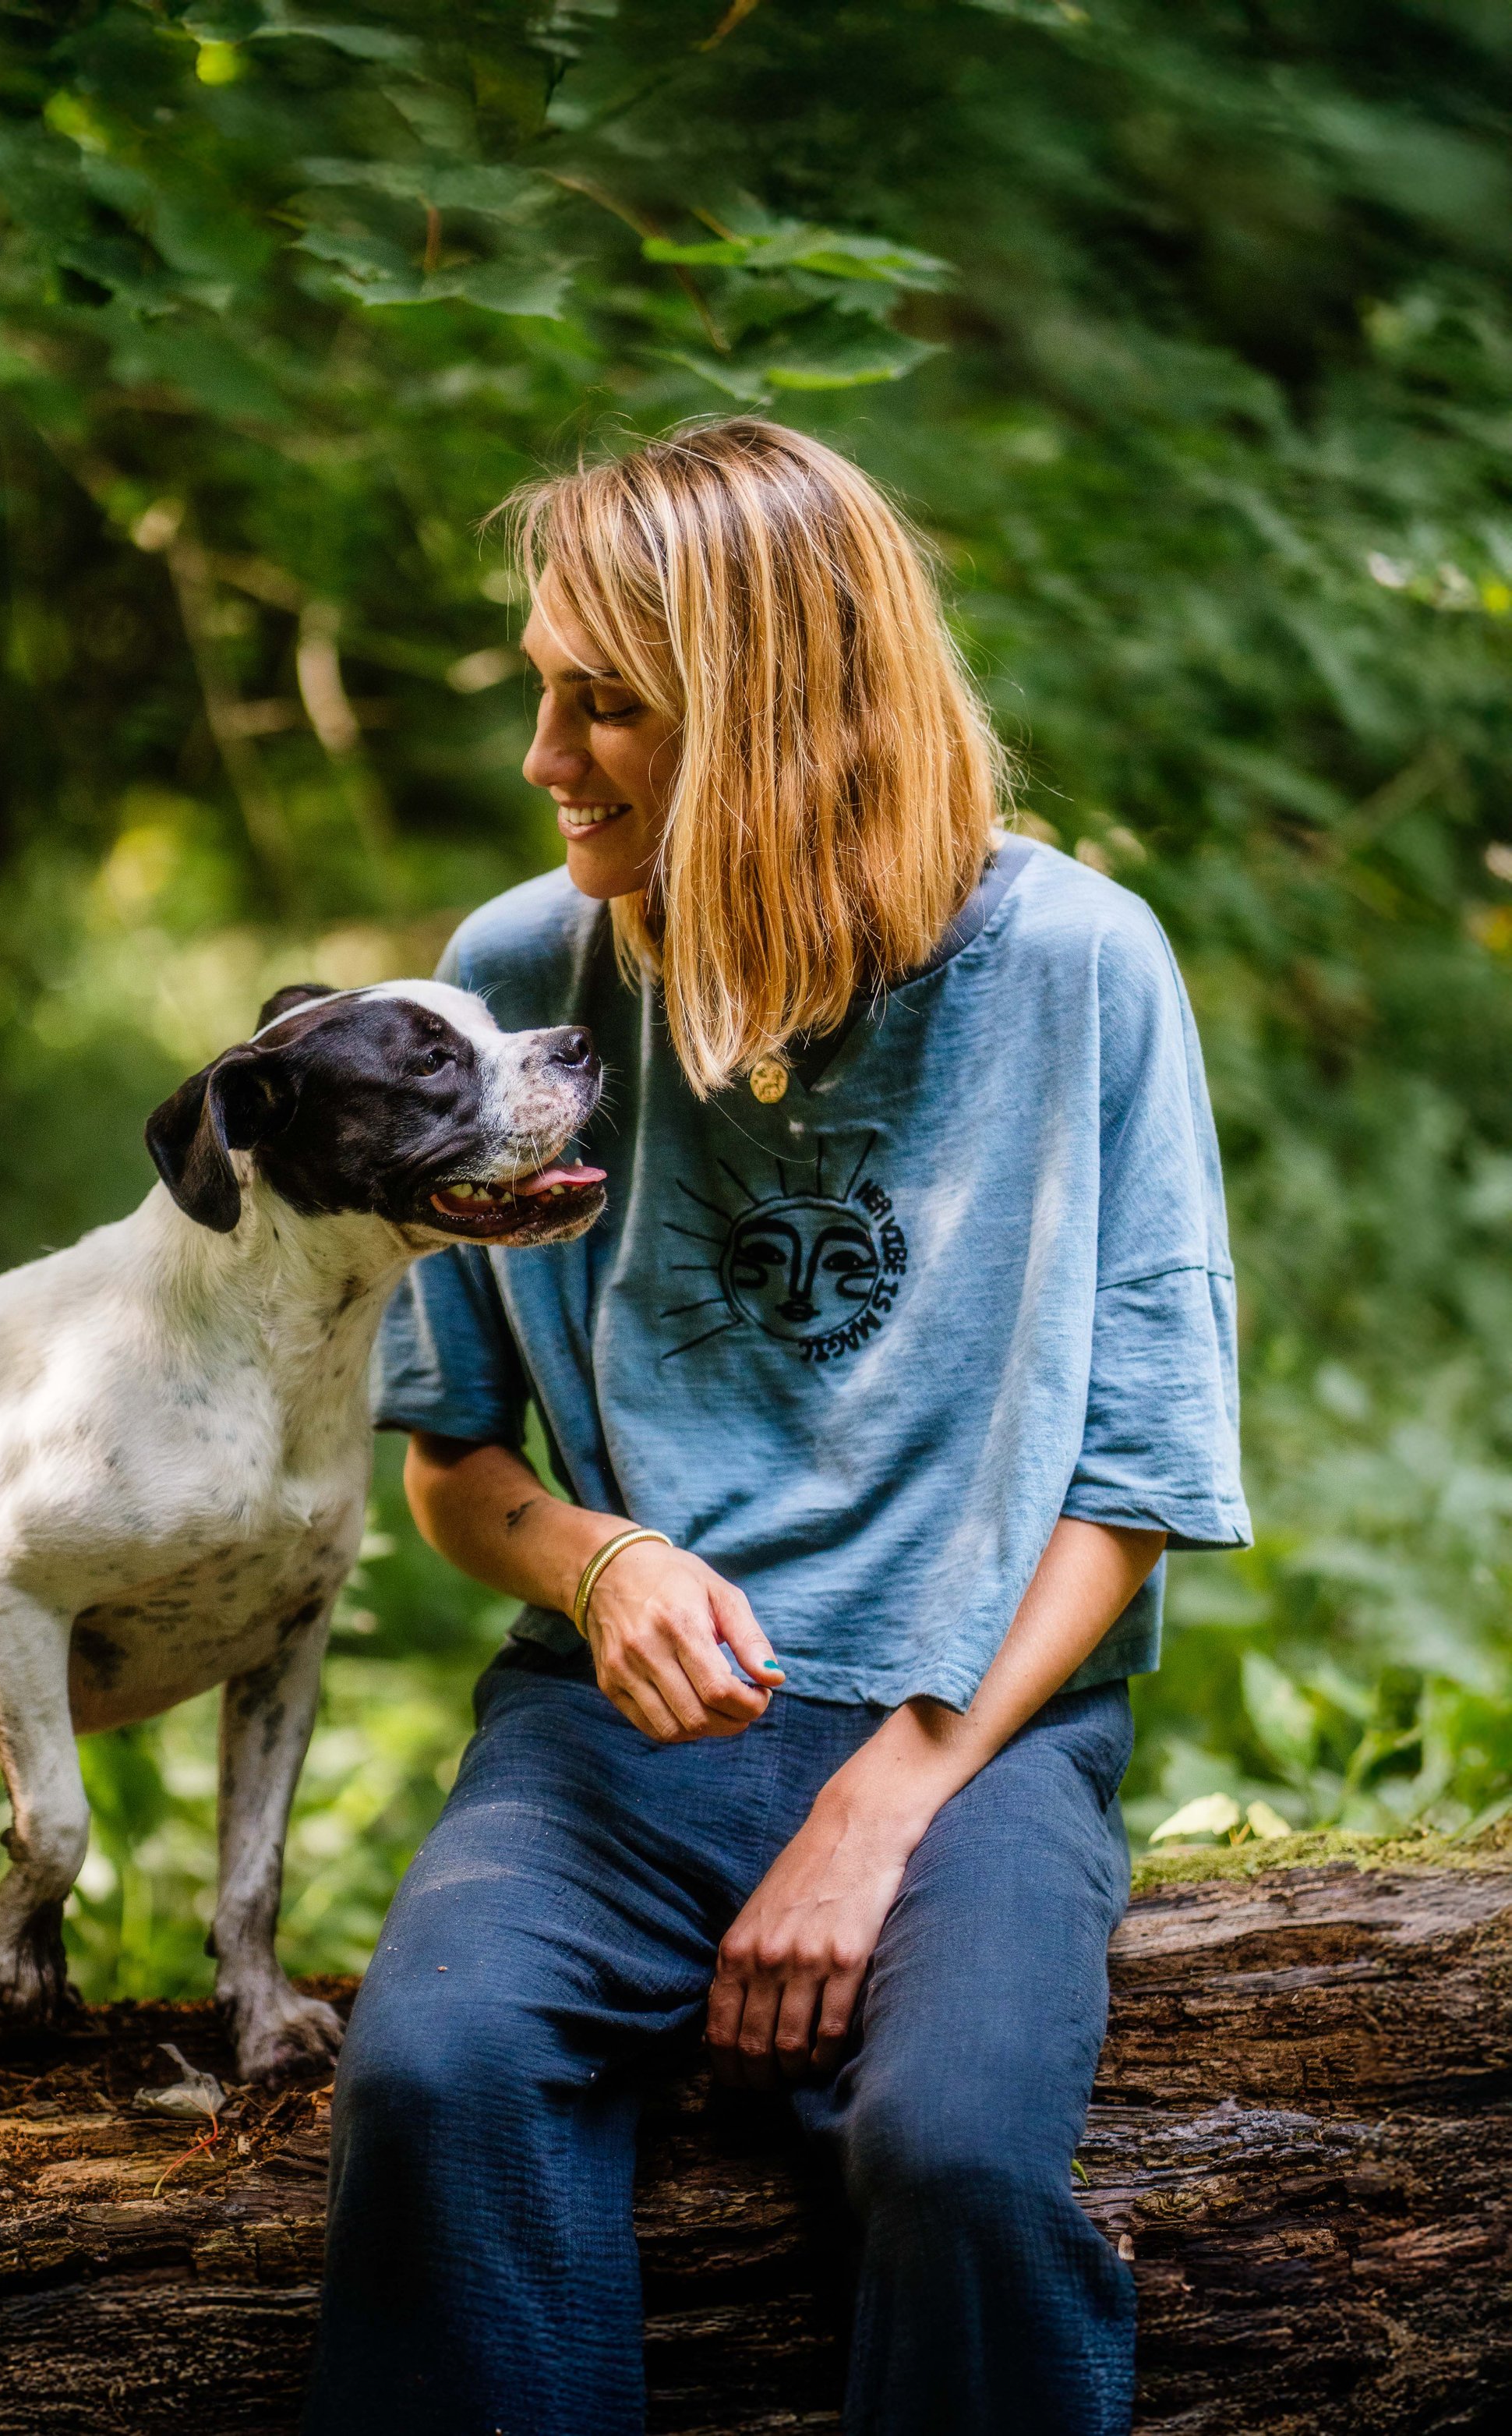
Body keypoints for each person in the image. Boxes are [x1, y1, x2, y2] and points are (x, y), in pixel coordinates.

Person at [302, 419, 1249, 2436]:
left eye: (603, 702)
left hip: (976, 1729)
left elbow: (1141, 1479)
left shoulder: (1077, 964)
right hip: (609, 1735)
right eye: (540, 688)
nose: (544, 754)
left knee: (961, 2159)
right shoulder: (517, 978)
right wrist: (608, 1557)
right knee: (433, 2074)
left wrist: (887, 1800)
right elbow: (458, 1471)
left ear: (776, 714)